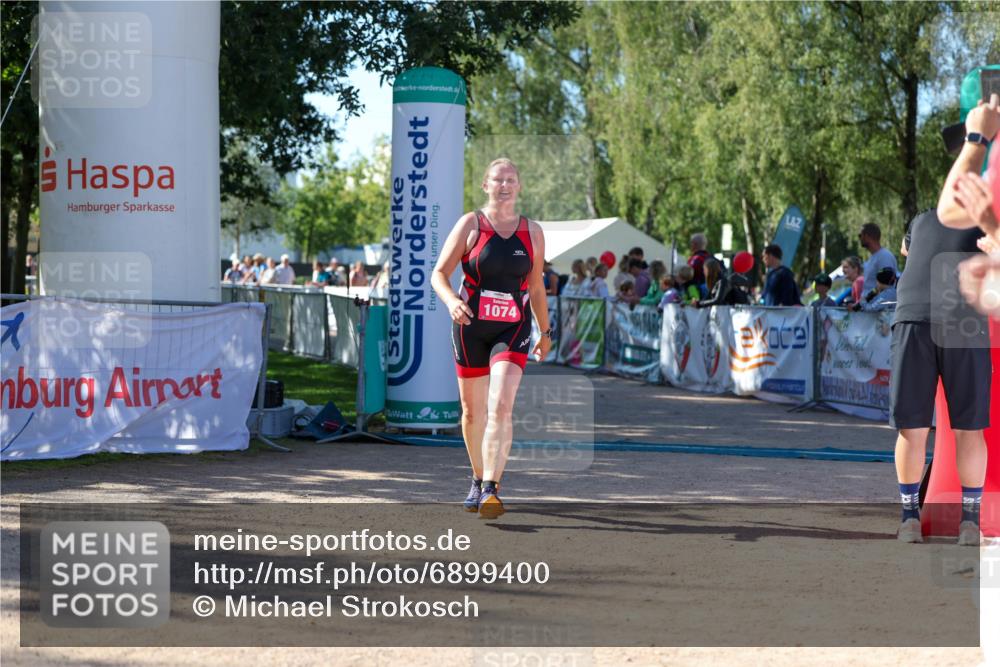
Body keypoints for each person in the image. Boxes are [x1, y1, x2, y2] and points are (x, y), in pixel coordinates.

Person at [430, 158, 551, 519]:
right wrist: (451, 301)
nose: (504, 185)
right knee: (472, 412)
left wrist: (545, 332)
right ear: (486, 185)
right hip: (470, 328)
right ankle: (477, 475)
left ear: (519, 186)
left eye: (511, 180)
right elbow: (439, 273)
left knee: (500, 406)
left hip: (512, 327)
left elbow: (536, 285)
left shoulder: (532, 232)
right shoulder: (471, 224)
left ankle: (491, 488)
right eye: (498, 180)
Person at [890, 207, 989, 546]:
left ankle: (909, 521)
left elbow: (906, 250)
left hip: (913, 317)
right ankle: (969, 525)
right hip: (959, 320)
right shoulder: (987, 216)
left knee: (912, 428)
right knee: (968, 428)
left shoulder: (920, 219)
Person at [858, 223, 898, 294]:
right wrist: (858, 304)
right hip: (869, 304)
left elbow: (887, 287)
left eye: (860, 235)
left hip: (878, 305)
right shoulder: (873, 257)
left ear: (867, 236)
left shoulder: (884, 256)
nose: (859, 239)